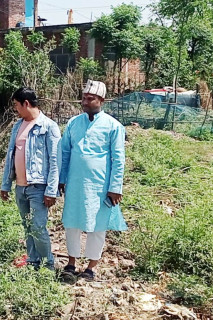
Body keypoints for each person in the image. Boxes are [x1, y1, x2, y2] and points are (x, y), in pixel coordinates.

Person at [59, 80, 127, 281]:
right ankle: (71, 263)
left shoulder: (113, 126)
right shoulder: (73, 123)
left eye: (90, 99)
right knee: (72, 222)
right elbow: (65, 153)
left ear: (101, 101)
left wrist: (115, 187)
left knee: (98, 226)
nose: (85, 102)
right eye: (84, 98)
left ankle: (90, 267)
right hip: (75, 183)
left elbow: (118, 159)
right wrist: (61, 179)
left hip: (101, 186)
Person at [0, 87, 61, 270]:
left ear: (26, 104)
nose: (16, 109)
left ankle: (47, 266)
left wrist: (51, 190)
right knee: (27, 227)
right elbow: (11, 154)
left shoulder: (48, 126)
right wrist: (6, 184)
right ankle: (34, 262)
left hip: (38, 187)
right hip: (20, 188)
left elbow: (55, 160)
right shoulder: (18, 126)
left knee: (37, 227)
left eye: (17, 105)